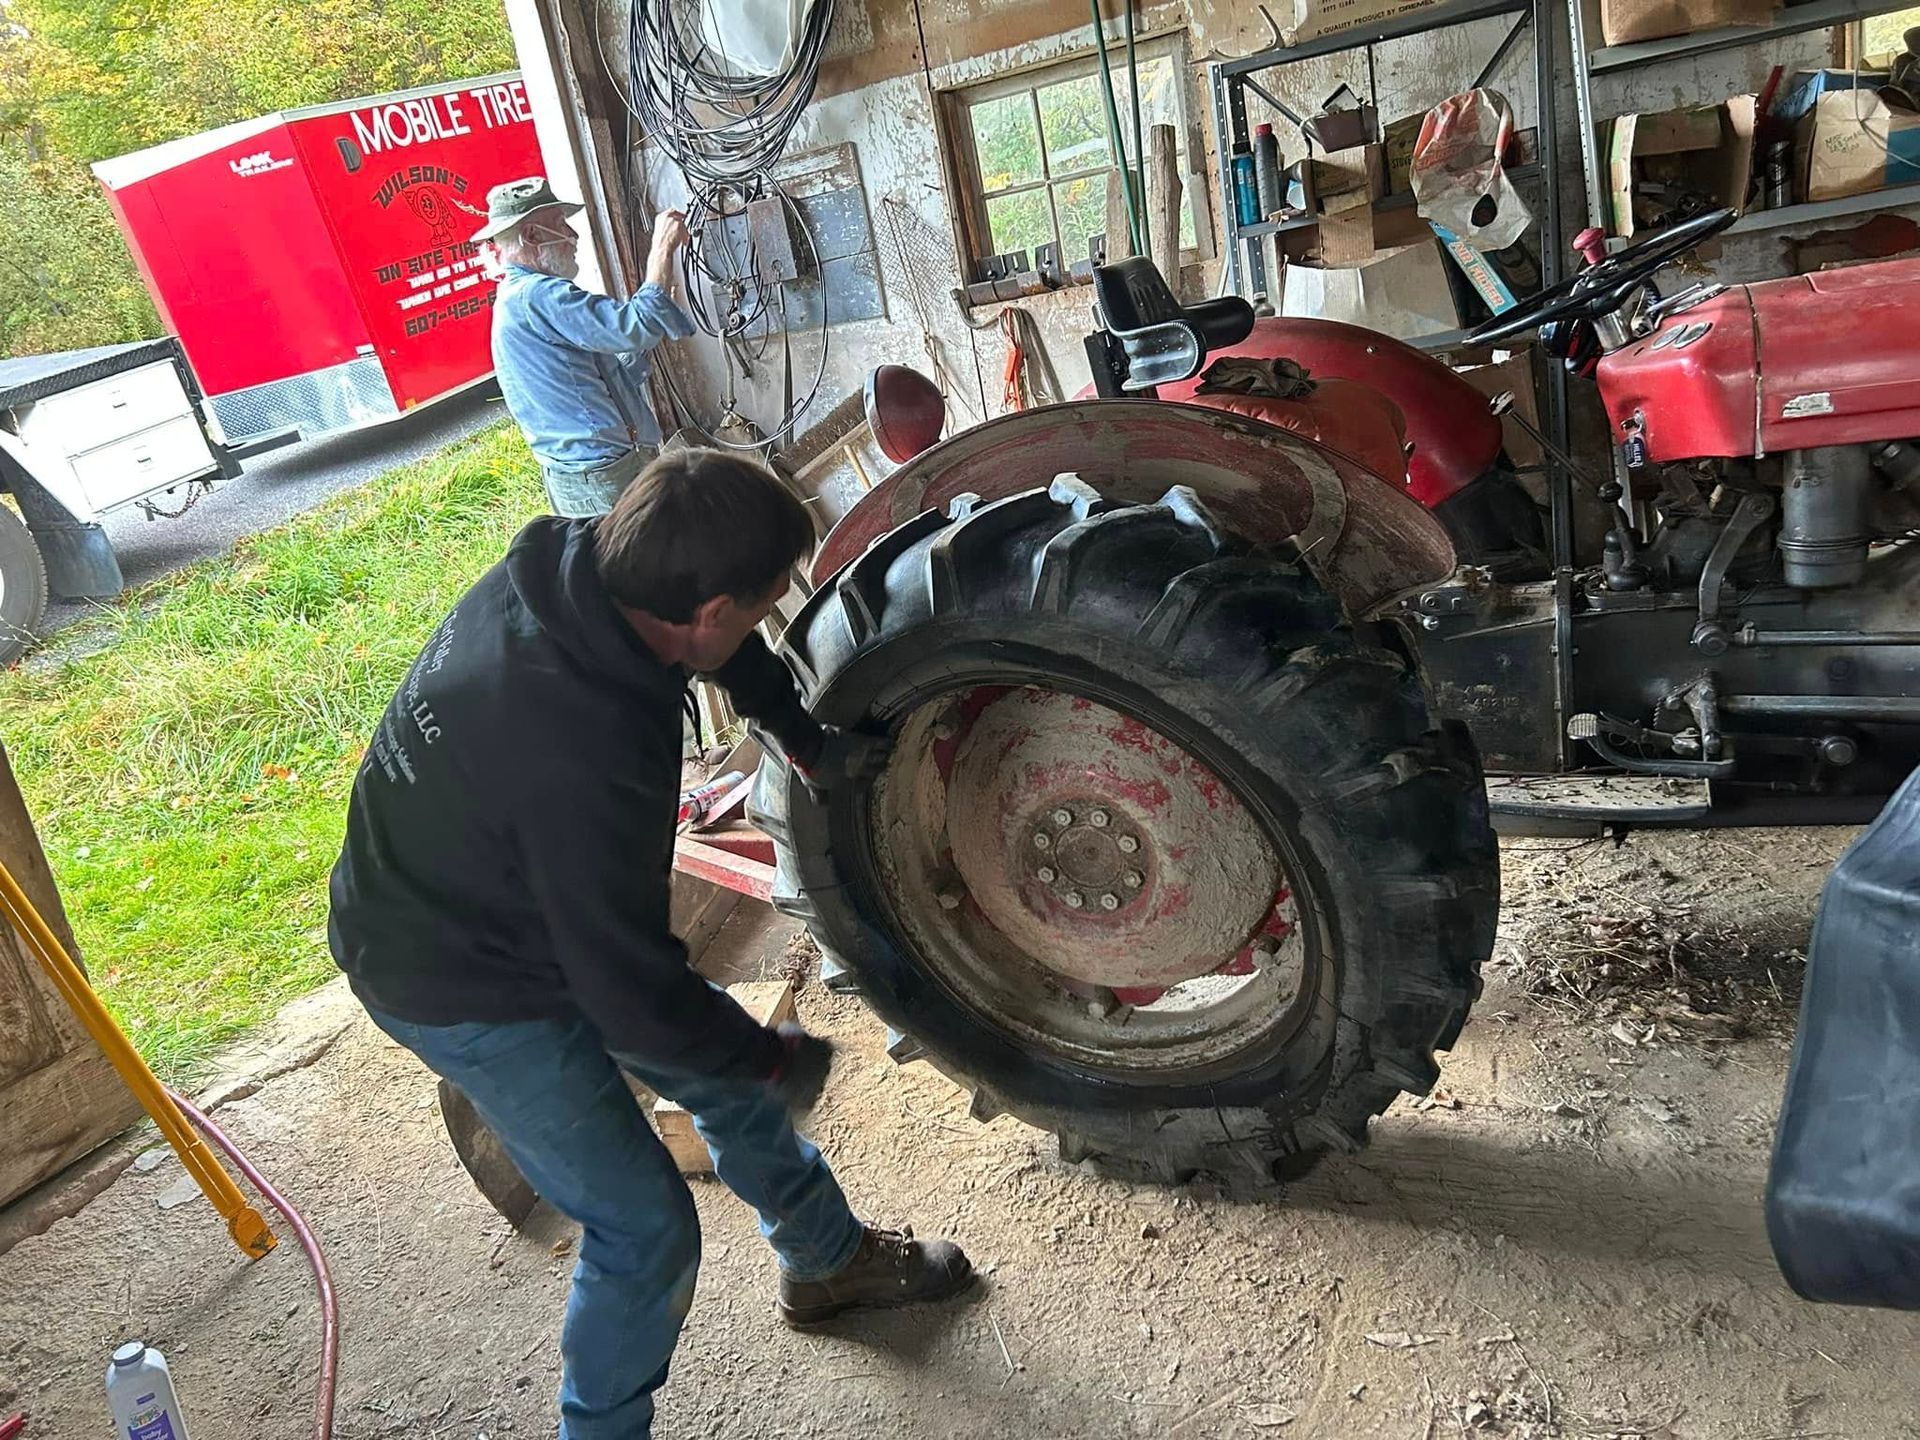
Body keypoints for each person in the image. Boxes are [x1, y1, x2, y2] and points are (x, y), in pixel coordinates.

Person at [328, 449, 973, 1440]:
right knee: (646, 1227)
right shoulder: (580, 744)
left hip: (499, 884)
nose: (753, 626)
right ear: (707, 609)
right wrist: (769, 1054)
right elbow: (623, 983)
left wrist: (797, 736)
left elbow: (720, 640)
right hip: (452, 974)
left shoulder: (584, 567)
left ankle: (826, 1262)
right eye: (754, 610)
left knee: (723, 1069)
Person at [474, 175, 694, 517]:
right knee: (638, 565)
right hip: (601, 476)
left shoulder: (518, 299)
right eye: (562, 224)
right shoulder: (539, 296)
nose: (574, 237)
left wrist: (651, 315)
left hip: (588, 475)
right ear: (532, 235)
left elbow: (604, 376)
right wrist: (662, 248)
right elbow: (634, 328)